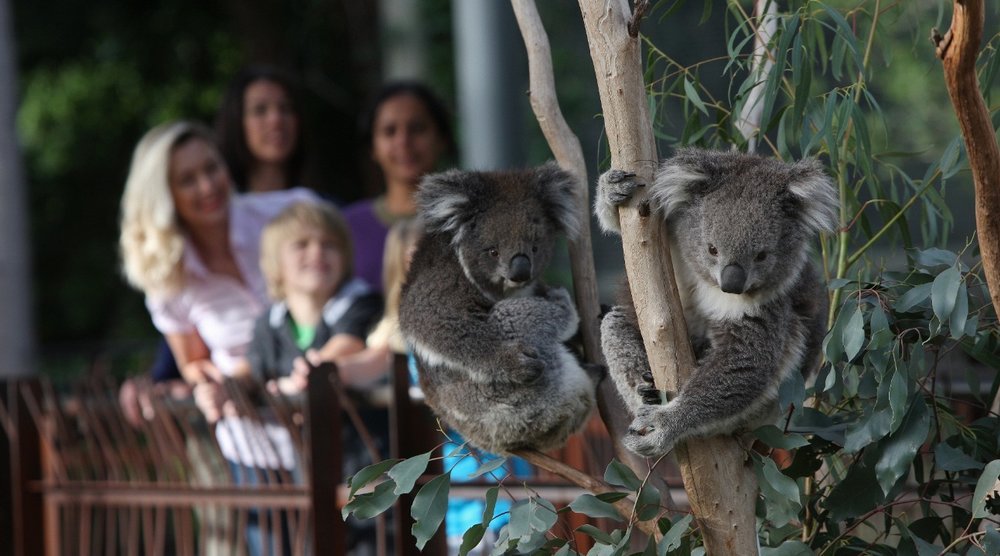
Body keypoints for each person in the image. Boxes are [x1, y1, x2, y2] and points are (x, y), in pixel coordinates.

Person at [118, 120, 318, 555]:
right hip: (252, 447)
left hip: (329, 426)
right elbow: (193, 363)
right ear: (164, 197)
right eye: (187, 179)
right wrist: (203, 381)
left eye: (212, 168)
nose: (207, 185)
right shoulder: (166, 275)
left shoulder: (290, 214)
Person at [343, 81, 456, 292]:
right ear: (373, 147)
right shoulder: (347, 227)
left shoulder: (462, 222)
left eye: (417, 128)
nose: (403, 141)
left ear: (442, 138)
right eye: (389, 131)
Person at [215, 66, 306, 193]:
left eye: (285, 108)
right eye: (260, 110)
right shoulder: (222, 205)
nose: (276, 120)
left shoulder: (318, 203)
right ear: (235, 121)